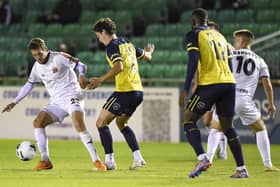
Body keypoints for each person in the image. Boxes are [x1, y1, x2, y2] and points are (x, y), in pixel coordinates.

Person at [2, 38, 106, 171]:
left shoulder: (59, 57)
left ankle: (97, 161)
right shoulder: (36, 67)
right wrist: (14, 102)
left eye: (39, 54)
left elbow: (81, 65)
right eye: (34, 55)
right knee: (38, 122)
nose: (38, 57)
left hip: (72, 95)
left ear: (45, 49)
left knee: (78, 124)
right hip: (57, 102)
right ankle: (45, 161)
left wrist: (81, 76)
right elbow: (29, 85)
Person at [180, 8, 248, 178]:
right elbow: (230, 65)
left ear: (194, 21)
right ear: (206, 19)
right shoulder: (220, 36)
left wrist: (186, 88)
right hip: (228, 83)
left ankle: (202, 158)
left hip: (210, 83)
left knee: (188, 120)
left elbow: (193, 61)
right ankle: (241, 169)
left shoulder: (194, 34)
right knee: (227, 127)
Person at [85, 17, 154, 170]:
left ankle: (109, 161)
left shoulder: (111, 46)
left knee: (101, 123)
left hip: (125, 92)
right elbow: (148, 57)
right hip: (138, 92)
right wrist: (149, 52)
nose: (99, 40)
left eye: (98, 36)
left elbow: (119, 67)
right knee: (121, 123)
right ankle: (138, 158)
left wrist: (100, 80)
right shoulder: (127, 44)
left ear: (103, 32)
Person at [207, 29, 280, 172]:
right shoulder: (260, 60)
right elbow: (268, 85)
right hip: (245, 100)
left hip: (229, 97)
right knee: (260, 129)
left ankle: (207, 160)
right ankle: (268, 164)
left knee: (216, 128)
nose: (235, 43)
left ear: (243, 41)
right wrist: (271, 104)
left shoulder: (230, 55)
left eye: (236, 40)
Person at [191, 20, 228, 162]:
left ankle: (222, 150)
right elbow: (198, 71)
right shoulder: (204, 47)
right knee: (207, 121)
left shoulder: (224, 45)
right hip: (207, 88)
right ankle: (220, 146)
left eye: (211, 29)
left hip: (221, 86)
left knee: (220, 119)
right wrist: (196, 87)